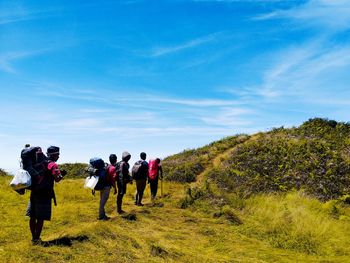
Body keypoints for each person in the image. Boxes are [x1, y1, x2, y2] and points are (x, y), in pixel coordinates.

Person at [26, 146, 66, 245]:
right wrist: (62, 175)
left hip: (34, 192)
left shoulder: (40, 162)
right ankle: (36, 239)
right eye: (58, 154)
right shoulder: (53, 165)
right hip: (45, 194)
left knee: (32, 216)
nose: (59, 156)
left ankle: (33, 238)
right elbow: (57, 179)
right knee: (40, 217)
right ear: (54, 154)